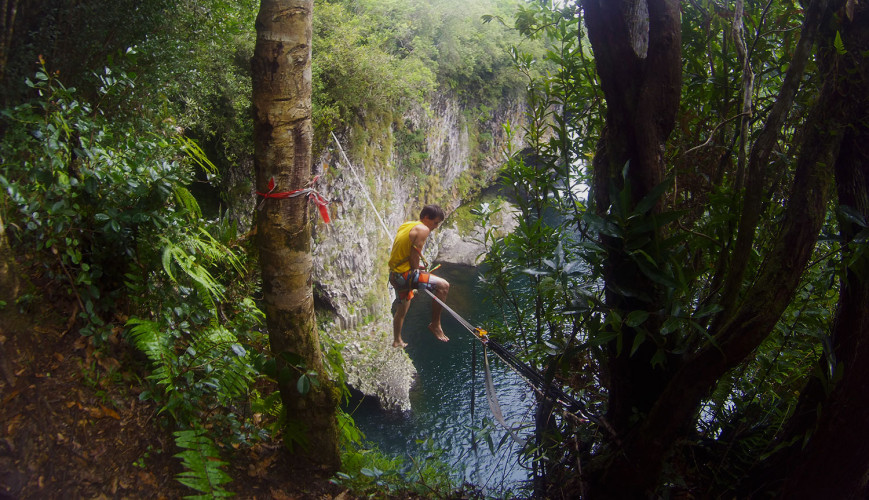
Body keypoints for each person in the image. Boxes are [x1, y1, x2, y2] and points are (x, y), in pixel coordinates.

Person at [388, 204, 450, 348]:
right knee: (444, 286)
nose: (435, 227)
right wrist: (416, 270)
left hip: (395, 275)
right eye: (435, 222)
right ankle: (435, 324)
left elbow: (405, 251)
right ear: (427, 218)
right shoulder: (423, 229)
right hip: (404, 276)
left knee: (402, 308)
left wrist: (414, 267)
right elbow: (415, 256)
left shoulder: (407, 225)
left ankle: (397, 340)